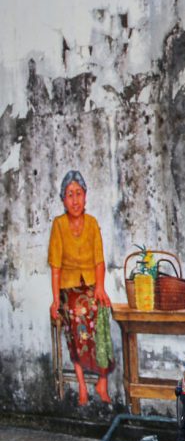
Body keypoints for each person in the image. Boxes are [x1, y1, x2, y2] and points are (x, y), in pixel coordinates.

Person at [48, 171, 113, 406]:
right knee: (76, 313)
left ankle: (102, 381)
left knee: (102, 309)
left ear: (85, 197)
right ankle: (82, 385)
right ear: (63, 200)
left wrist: (101, 288)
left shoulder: (93, 223)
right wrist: (56, 300)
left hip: (91, 286)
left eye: (78, 193)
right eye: (69, 195)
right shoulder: (59, 225)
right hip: (68, 288)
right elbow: (55, 267)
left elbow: (99, 261)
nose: (75, 200)